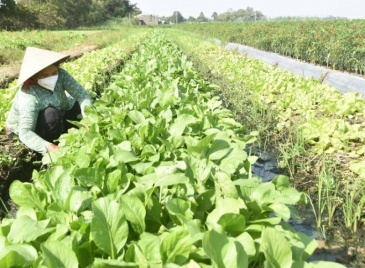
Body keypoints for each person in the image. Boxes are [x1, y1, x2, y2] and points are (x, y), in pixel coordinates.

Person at [5, 47, 92, 155]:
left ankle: (68, 136)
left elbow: (82, 95)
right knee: (51, 115)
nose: (51, 77)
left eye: (54, 73)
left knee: (78, 107)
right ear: (34, 76)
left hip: (58, 109)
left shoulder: (61, 75)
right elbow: (25, 132)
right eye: (45, 75)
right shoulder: (28, 95)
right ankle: (50, 148)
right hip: (25, 127)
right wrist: (52, 148)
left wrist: (88, 118)